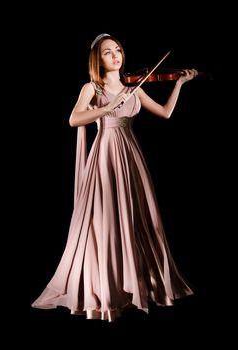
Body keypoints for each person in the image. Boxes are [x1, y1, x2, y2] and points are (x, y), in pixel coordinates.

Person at [32, 33, 198, 322]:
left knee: (138, 218)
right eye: (108, 52)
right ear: (98, 59)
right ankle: (105, 289)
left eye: (118, 50)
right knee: (107, 218)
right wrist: (109, 106)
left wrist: (180, 84)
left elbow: (165, 113)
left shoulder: (134, 87)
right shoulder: (91, 87)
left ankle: (138, 283)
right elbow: (74, 119)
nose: (115, 55)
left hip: (130, 154)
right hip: (105, 154)